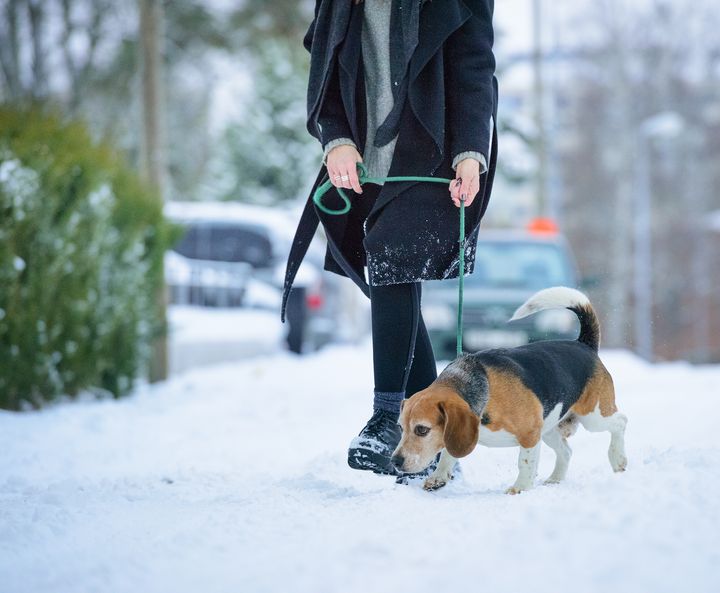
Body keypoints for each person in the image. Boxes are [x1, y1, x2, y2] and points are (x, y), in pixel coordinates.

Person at [282, 0, 498, 476]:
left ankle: (386, 415)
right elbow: (321, 57)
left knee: (393, 264)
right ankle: (432, 443)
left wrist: (470, 152)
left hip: (434, 153)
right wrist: (334, 137)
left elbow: (474, 64)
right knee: (387, 280)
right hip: (359, 157)